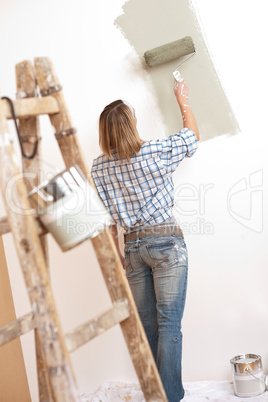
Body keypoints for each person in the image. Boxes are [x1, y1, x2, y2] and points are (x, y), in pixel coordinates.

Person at [91, 78, 199, 401]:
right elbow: (192, 137)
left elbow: (109, 222)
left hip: (133, 248)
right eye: (134, 116)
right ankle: (170, 396)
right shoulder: (153, 151)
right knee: (168, 325)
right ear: (130, 125)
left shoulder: (99, 168)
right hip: (166, 244)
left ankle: (157, 394)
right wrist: (182, 99)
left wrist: (121, 257)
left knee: (150, 328)